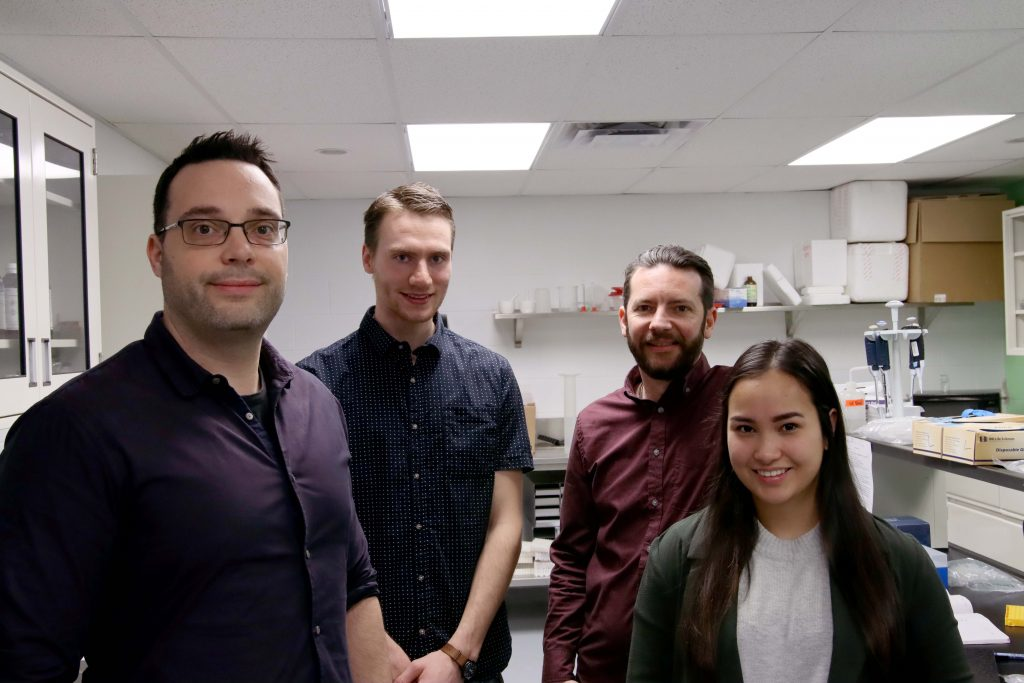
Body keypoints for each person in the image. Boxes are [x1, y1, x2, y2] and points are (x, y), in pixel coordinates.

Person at [0, 131, 390, 683]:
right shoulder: (74, 430)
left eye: (262, 228)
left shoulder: (317, 404)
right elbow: (26, 662)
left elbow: (351, 582)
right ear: (158, 254)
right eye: (204, 228)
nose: (240, 249)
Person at [627, 338, 972, 683]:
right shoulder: (673, 557)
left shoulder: (900, 562)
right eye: (745, 428)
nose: (767, 452)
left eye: (788, 426)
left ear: (828, 428)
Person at [299, 182, 533, 683]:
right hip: (359, 666)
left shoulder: (492, 377)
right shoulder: (313, 384)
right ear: (368, 258)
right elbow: (310, 535)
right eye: (402, 256)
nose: (422, 276)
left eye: (437, 258)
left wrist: (457, 653)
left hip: (472, 666)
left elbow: (506, 523)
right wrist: (370, 646)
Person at [543, 245, 731, 683]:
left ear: (709, 320)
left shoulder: (738, 406)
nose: (659, 323)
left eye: (680, 308)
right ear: (624, 319)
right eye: (645, 307)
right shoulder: (595, 424)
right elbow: (571, 557)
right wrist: (558, 668)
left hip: (710, 665)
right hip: (608, 665)